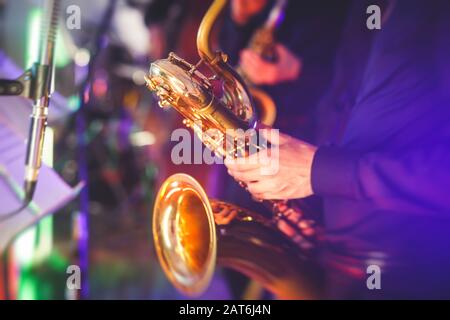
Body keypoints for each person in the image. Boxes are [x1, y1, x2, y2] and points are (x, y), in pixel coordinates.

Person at [225, 0, 450, 299]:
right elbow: (340, 106)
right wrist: (307, 199)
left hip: (412, 275)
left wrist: (319, 172)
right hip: (338, 259)